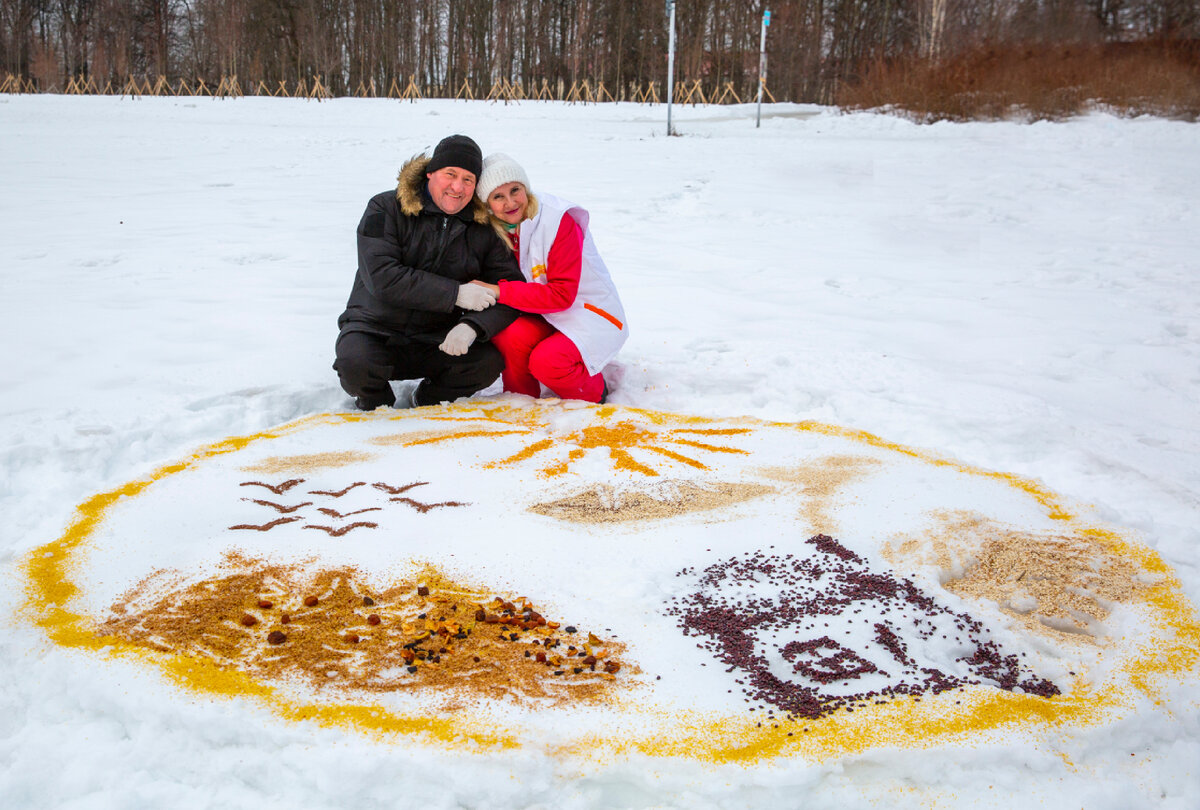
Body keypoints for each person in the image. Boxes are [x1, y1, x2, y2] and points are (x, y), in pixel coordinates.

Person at [333, 135, 524, 409]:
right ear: (430, 173)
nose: (457, 187)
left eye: (468, 179)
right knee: (356, 365)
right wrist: (456, 294)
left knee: (486, 363)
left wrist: (472, 326)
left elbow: (511, 289)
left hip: (437, 337)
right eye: (450, 174)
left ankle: (428, 400)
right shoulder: (385, 207)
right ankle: (377, 405)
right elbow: (382, 276)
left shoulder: (484, 229)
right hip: (376, 329)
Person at [470, 154, 628, 404]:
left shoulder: (558, 221)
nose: (510, 202)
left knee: (549, 362)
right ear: (488, 204)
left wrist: (498, 291)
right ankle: (519, 400)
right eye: (498, 196)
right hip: (544, 315)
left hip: (587, 312)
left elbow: (562, 295)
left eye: (515, 190)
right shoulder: (496, 229)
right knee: (508, 333)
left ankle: (595, 391)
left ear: (526, 188)